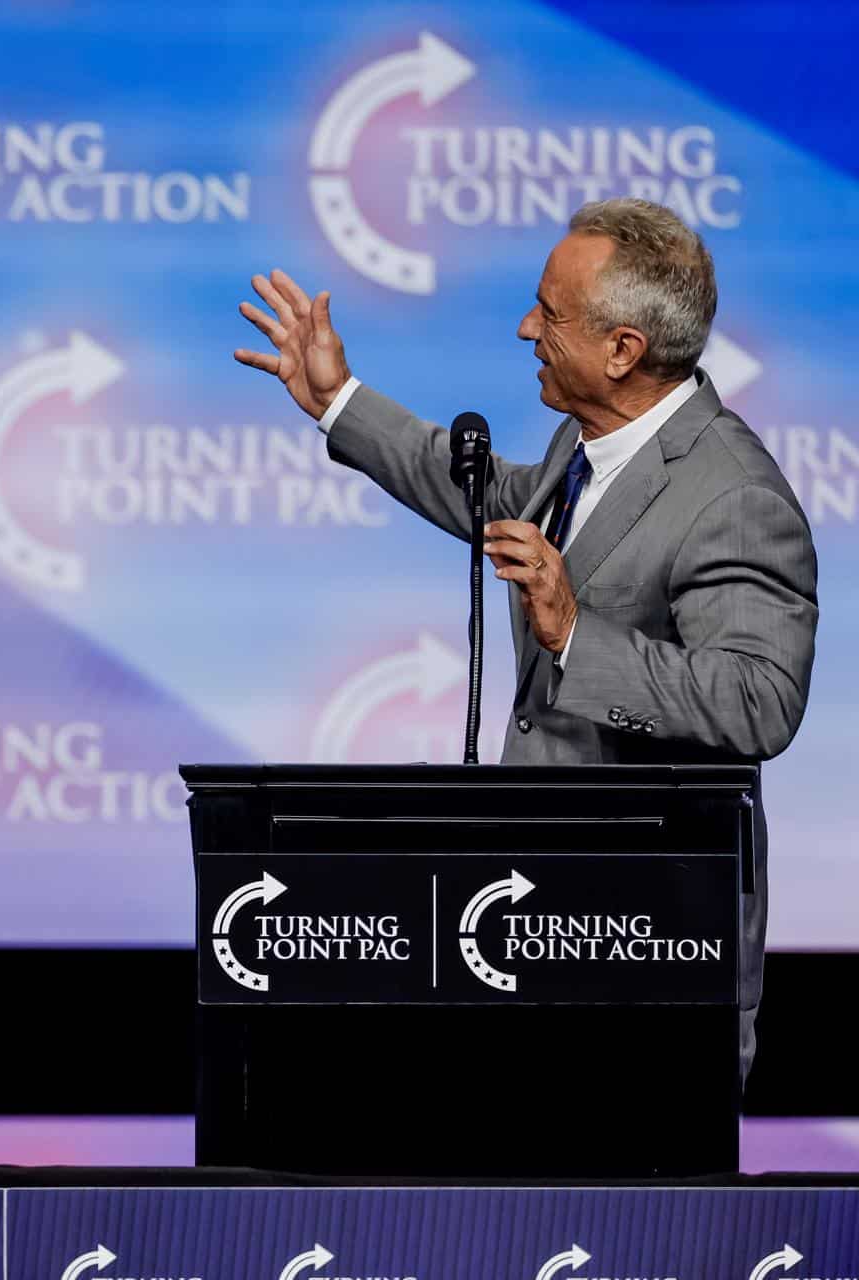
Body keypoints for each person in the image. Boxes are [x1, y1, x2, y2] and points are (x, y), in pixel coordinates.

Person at [234, 197, 816, 1075]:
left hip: (650, 952)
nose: (523, 328)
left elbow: (759, 703)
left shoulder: (733, 496)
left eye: (549, 313)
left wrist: (578, 632)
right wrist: (337, 403)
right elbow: (495, 503)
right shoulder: (589, 445)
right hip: (537, 929)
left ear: (624, 350)